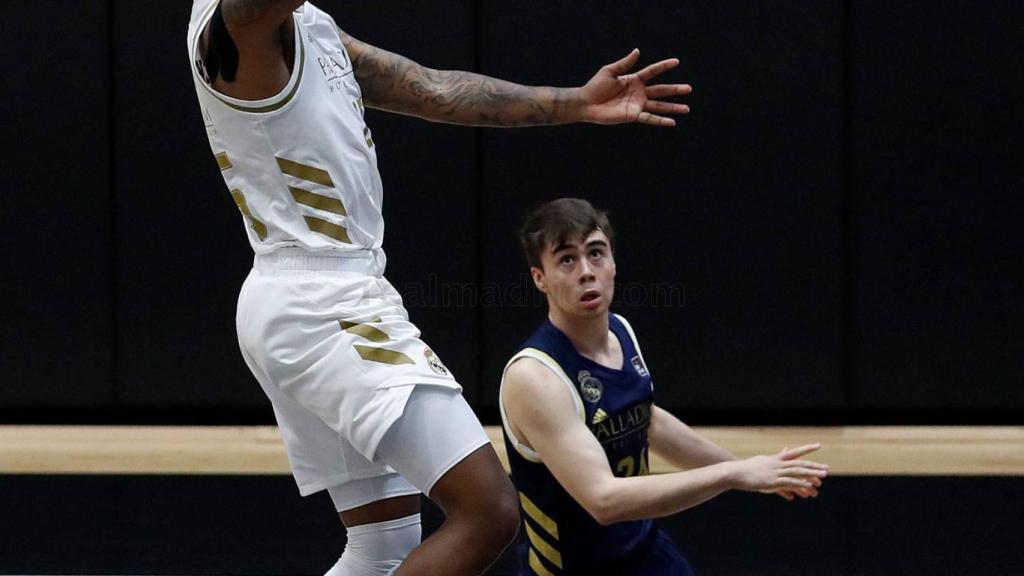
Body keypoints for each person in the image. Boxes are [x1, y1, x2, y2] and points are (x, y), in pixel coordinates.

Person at [187, 1, 693, 575]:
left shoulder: (309, 26)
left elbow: (432, 88)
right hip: (322, 308)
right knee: (491, 510)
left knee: (381, 550)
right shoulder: (236, 27)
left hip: (312, 298)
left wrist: (576, 102)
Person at [500, 198, 829, 575]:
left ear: (614, 263)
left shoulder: (621, 332)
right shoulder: (534, 377)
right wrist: (732, 475)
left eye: (596, 254)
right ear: (539, 278)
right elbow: (604, 500)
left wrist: (752, 472)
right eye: (567, 260)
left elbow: (646, 420)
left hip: (643, 552)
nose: (587, 272)